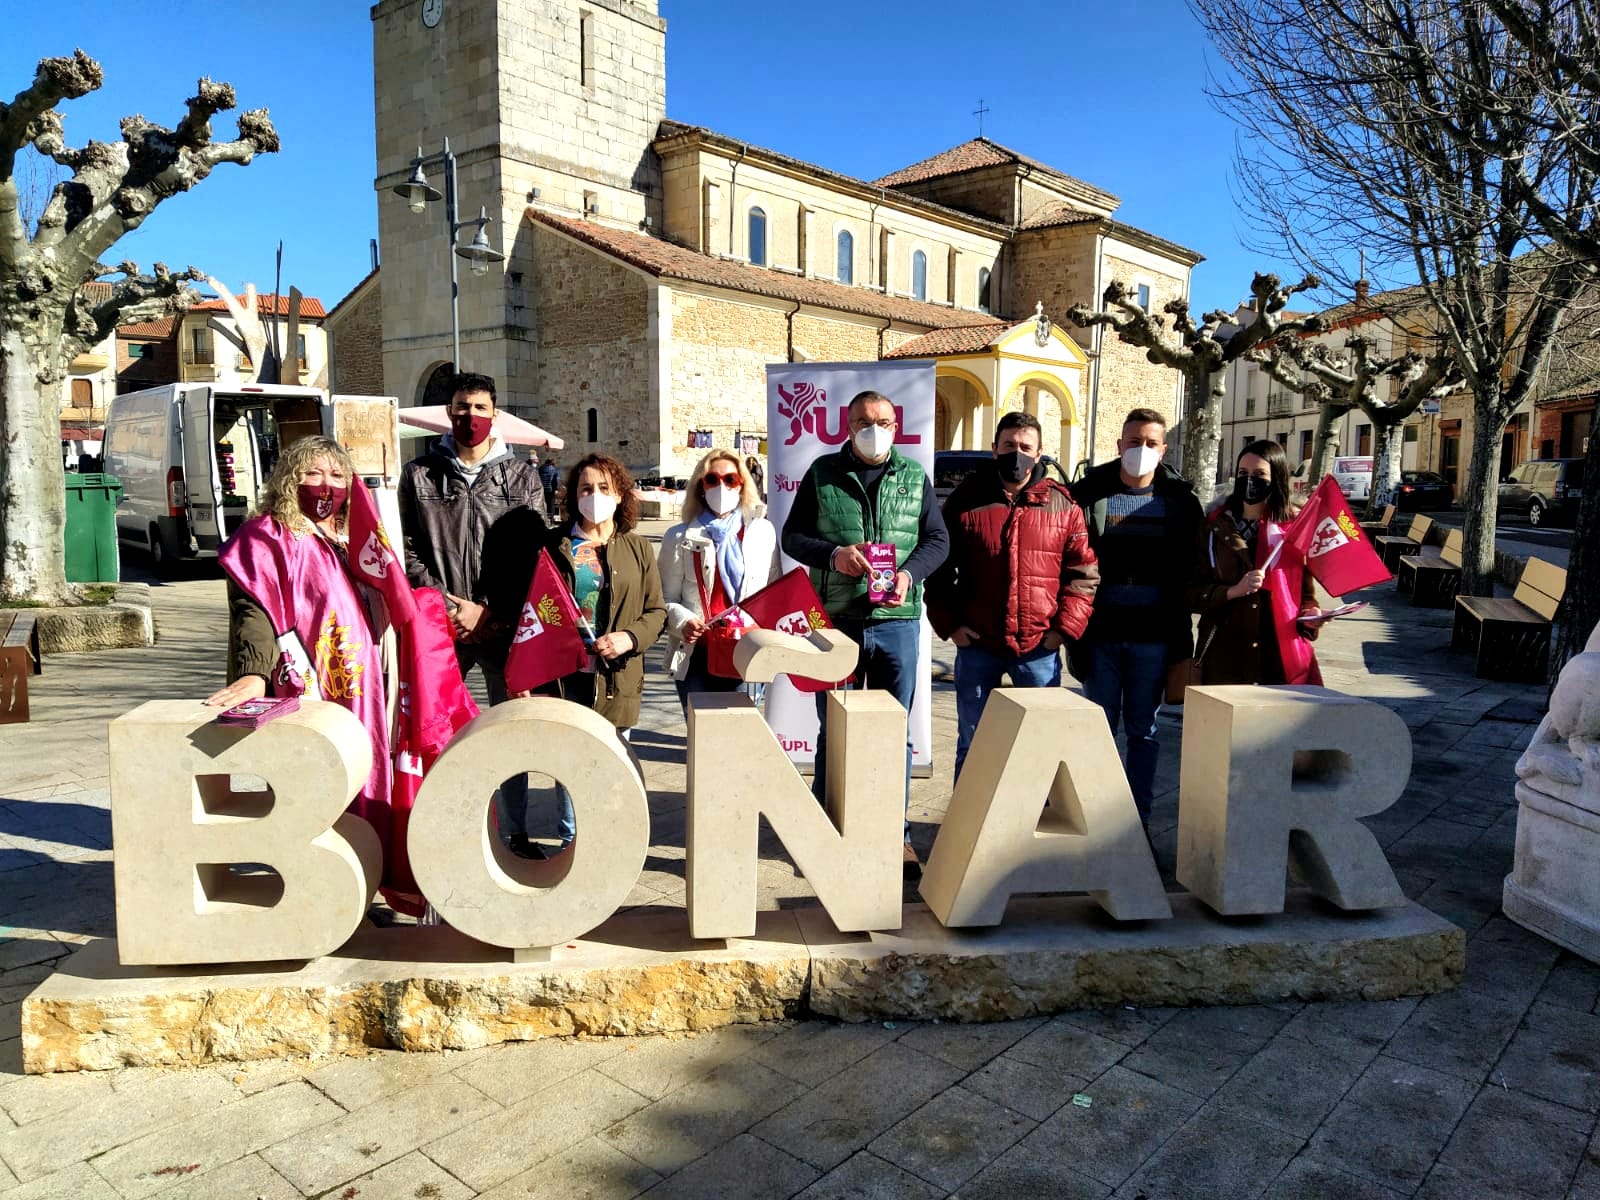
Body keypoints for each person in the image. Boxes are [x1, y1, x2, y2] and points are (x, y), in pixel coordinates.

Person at [780, 389, 949, 876]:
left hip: (897, 623)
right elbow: (792, 535)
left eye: (881, 421)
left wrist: (908, 575)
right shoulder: (821, 474)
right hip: (837, 622)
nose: (872, 429)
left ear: (895, 426)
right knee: (833, 729)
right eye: (862, 422)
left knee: (895, 735)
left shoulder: (914, 477)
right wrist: (833, 556)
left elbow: (938, 541)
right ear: (846, 427)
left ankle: (895, 836)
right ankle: (824, 830)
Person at [484, 453, 666, 856]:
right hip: (565, 676)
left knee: (612, 765)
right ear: (573, 496)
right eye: (586, 488)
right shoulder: (552, 546)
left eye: (604, 488)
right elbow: (531, 613)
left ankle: (607, 846)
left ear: (620, 495)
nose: (595, 496)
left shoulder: (637, 548)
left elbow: (656, 612)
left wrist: (629, 638)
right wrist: (525, 675)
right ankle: (573, 846)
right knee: (571, 767)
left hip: (617, 678)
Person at [204, 435, 391, 824]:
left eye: (338, 475)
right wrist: (254, 673)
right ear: (290, 478)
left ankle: (368, 852)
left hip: (365, 682)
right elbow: (252, 610)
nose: (327, 484)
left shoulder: (354, 536)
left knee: (362, 763)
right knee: (312, 774)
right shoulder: (269, 536)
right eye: (314, 472)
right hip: (308, 679)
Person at [397, 371, 546, 850]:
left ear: (495, 414)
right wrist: (446, 605)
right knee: (438, 729)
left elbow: (534, 552)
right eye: (462, 407)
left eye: (480, 408)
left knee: (511, 731)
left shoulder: (521, 475)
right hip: (442, 628)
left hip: (503, 626)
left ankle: (514, 830)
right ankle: (447, 827)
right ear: (449, 412)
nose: (471, 417)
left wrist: (491, 611)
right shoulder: (420, 474)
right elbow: (407, 549)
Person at [927, 412, 1100, 781]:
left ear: (1039, 454)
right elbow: (938, 567)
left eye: (1025, 447)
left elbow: (1083, 575)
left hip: (1038, 647)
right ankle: (966, 831)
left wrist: (1062, 632)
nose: (1016, 454)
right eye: (1009, 445)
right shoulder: (966, 500)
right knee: (973, 745)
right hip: (978, 645)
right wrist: (951, 624)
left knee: (1040, 746)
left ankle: (1031, 829)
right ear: (994, 449)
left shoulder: (1061, 505)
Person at [1069, 408, 1204, 825]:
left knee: (1144, 733)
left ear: (1163, 450)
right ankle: (1095, 819)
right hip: (1101, 636)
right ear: (1119, 445)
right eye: (1133, 442)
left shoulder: (1181, 503)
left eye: (1149, 443)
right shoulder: (1088, 493)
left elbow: (1194, 568)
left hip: (1154, 638)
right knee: (1099, 732)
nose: (1140, 450)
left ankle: (1136, 822)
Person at [1190, 439, 1323, 685]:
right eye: (1243, 473)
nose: (1250, 480)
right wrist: (1232, 592)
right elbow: (1191, 592)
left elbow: (1305, 595)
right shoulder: (1213, 525)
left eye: (1260, 474)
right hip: (1224, 655)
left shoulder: (1292, 529)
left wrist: (1311, 614)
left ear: (1277, 477)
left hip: (1277, 656)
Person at [658, 449, 780, 712]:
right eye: (712, 479)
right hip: (697, 651)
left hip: (745, 648)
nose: (721, 486)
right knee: (704, 738)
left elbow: (774, 593)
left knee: (740, 737)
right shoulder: (678, 537)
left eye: (730, 480)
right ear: (701, 487)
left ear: (742, 485)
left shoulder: (763, 532)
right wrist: (683, 621)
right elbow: (663, 599)